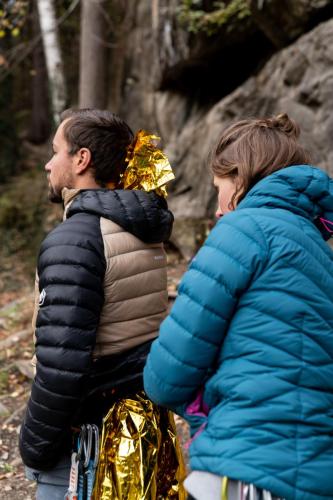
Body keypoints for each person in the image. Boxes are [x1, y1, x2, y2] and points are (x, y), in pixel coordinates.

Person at [144, 113, 333, 500]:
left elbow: (165, 376)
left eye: (219, 187)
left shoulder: (242, 231)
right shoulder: (320, 253)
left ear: (240, 178)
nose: (216, 208)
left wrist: (202, 404)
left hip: (245, 466)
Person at [19, 109, 185, 499]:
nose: (47, 163)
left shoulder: (74, 241)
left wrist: (35, 447)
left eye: (55, 151)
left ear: (81, 159)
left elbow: (62, 367)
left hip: (86, 444)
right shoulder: (143, 230)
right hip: (139, 428)